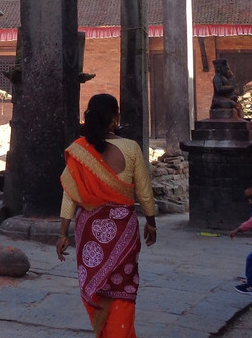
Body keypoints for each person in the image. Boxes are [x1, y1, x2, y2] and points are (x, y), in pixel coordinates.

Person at [56, 93, 157, 337]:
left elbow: (70, 194)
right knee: (124, 285)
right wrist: (151, 223)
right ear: (114, 118)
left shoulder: (80, 151)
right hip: (124, 229)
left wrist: (62, 233)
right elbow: (144, 192)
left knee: (97, 288)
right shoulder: (131, 147)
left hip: (89, 230)